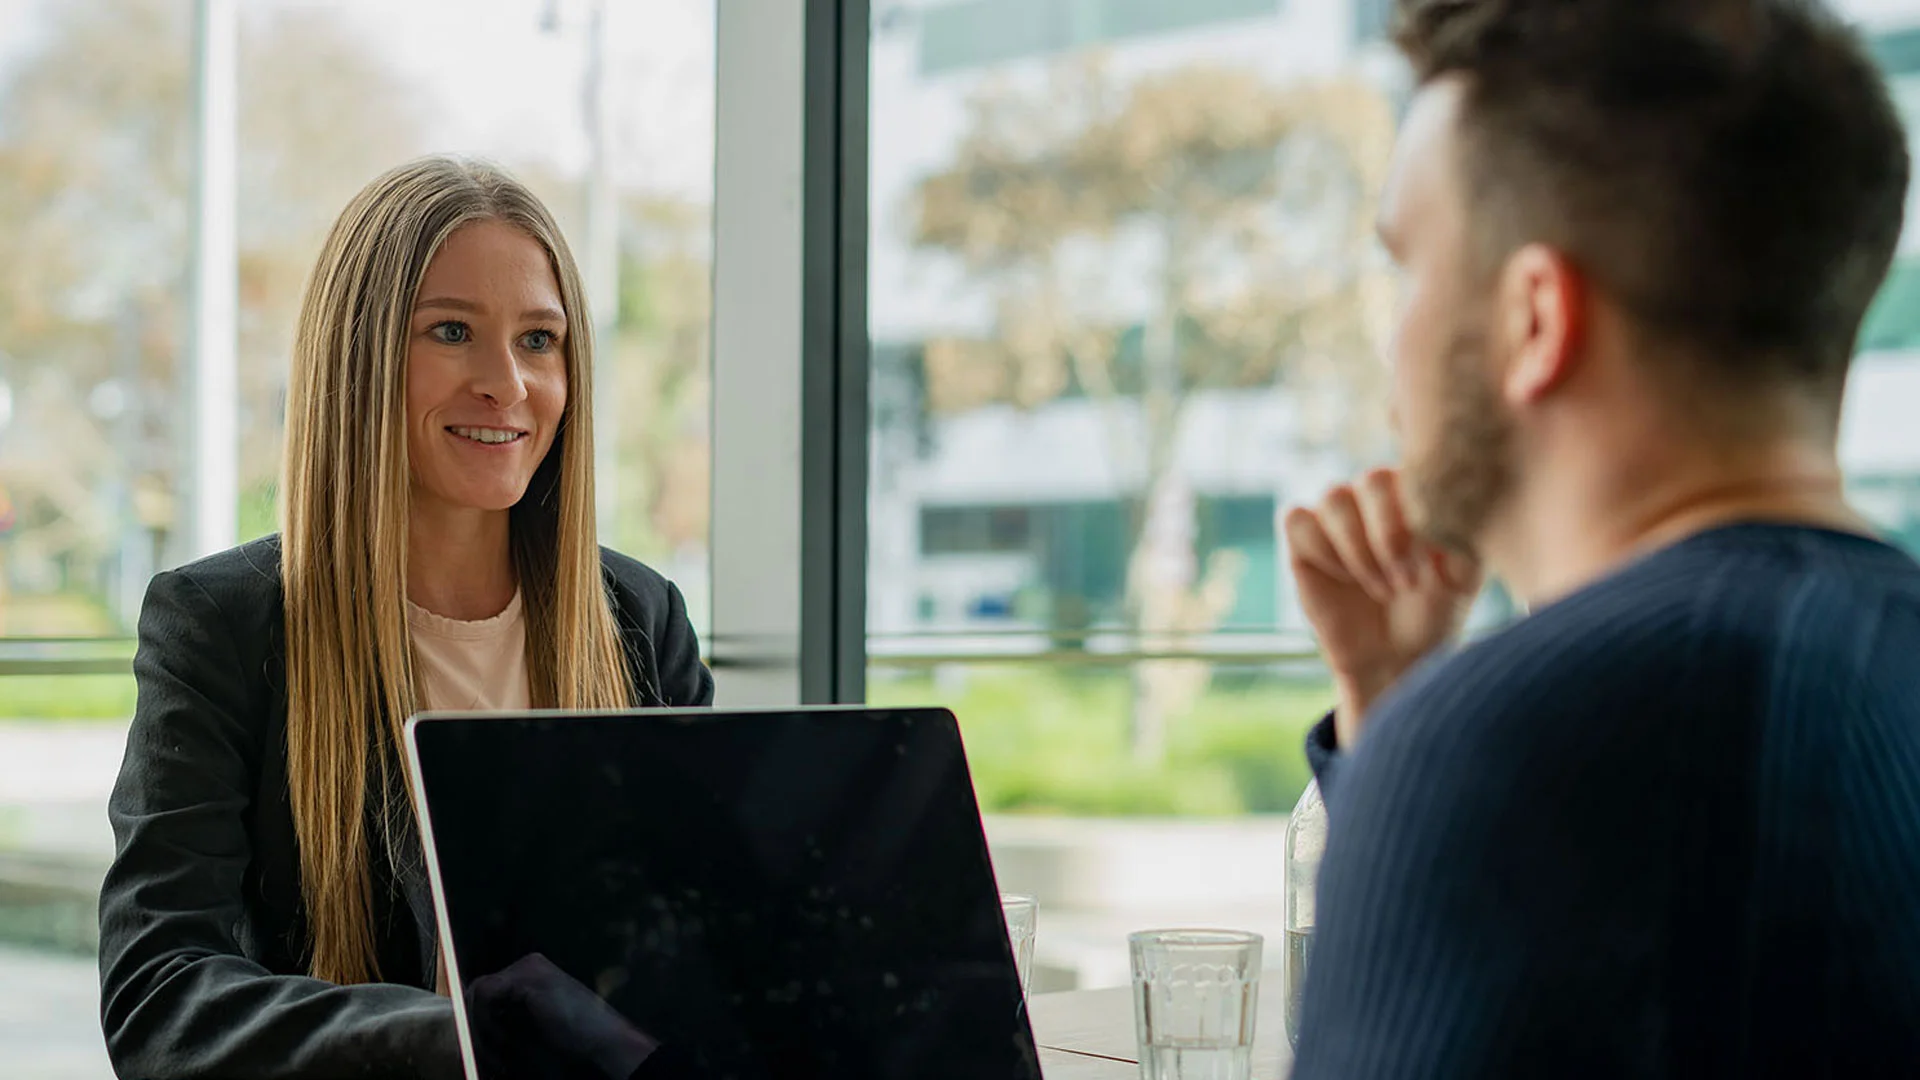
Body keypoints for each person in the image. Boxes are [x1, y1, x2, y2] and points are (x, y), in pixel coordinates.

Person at [1283, 1, 1920, 1076]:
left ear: (1535, 318)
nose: (1394, 339)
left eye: (1411, 269)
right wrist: (1391, 704)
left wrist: (1424, 742)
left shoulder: (1506, 748)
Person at [96, 156, 714, 1080]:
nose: (506, 383)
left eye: (540, 340)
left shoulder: (640, 616)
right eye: (453, 331)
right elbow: (162, 995)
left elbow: (718, 935)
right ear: (360, 357)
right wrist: (462, 1038)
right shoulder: (221, 627)